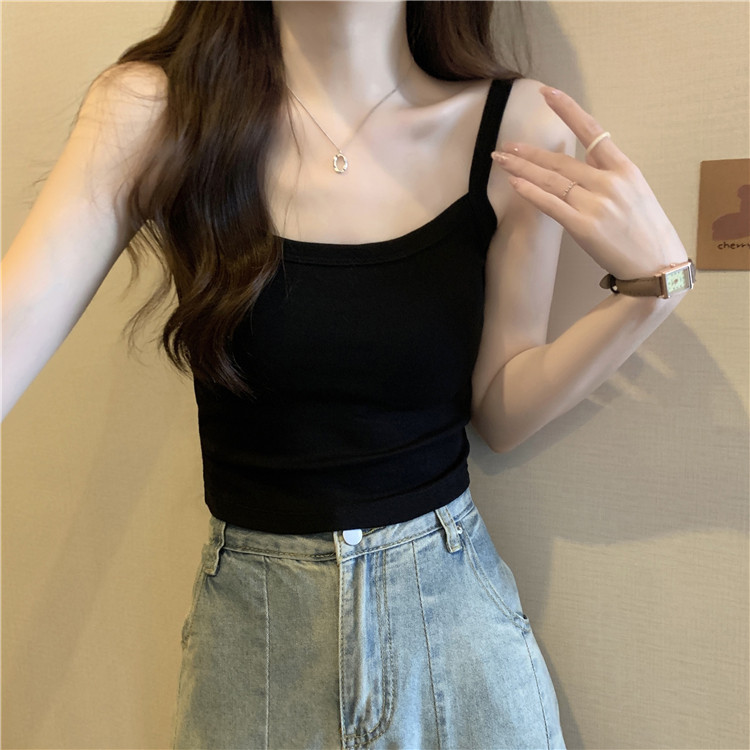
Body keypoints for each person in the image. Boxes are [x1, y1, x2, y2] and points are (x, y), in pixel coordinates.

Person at [1, 2, 694, 748]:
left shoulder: (517, 126)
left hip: (456, 638)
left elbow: (498, 408)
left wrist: (651, 293)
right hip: (257, 647)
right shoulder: (157, 113)